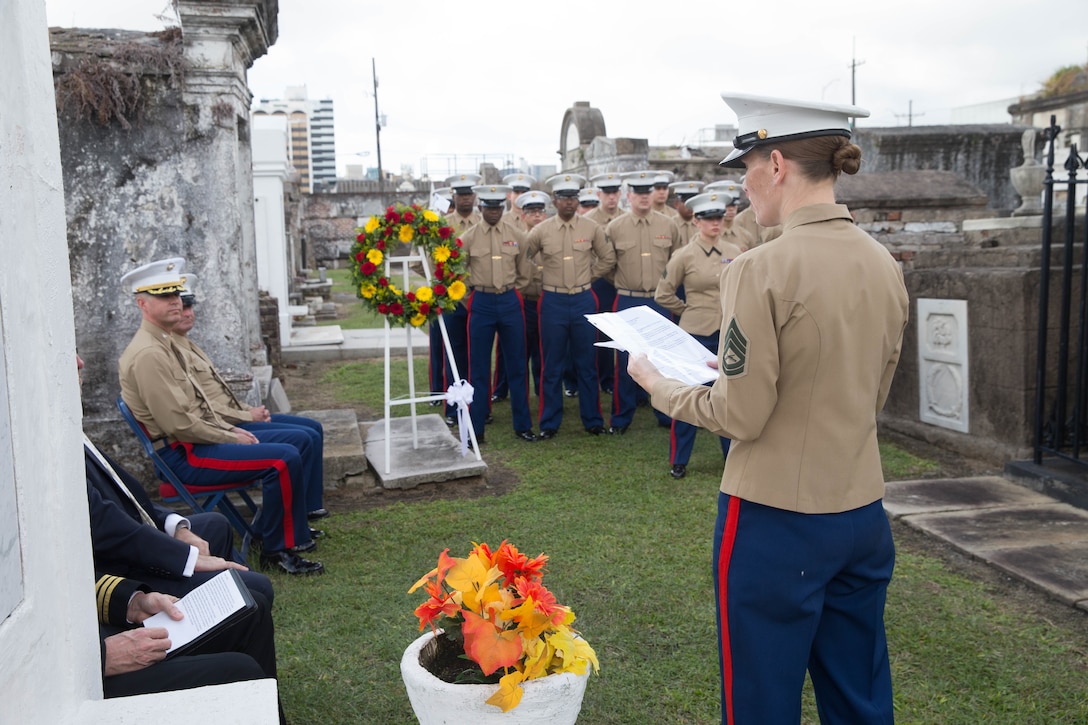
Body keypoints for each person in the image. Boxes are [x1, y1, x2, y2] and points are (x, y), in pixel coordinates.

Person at [629, 92, 909, 724]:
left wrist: (659, 386)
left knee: (760, 698)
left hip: (775, 517)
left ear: (776, 164)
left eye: (746, 166)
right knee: (859, 696)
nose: (745, 184)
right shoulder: (883, 262)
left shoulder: (757, 267)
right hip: (861, 509)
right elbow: (865, 387)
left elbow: (741, 417)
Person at [117, 258, 323, 576]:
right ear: (142, 303)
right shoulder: (149, 354)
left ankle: (277, 535)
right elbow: (179, 424)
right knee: (282, 459)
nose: (175, 301)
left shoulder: (164, 342)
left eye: (176, 294)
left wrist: (231, 426)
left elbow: (198, 407)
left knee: (291, 447)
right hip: (183, 454)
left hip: (194, 443)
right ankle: (277, 549)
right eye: (164, 296)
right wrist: (231, 435)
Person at [174, 275, 329, 522]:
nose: (187, 313)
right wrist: (247, 416)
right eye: (180, 307)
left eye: (189, 306)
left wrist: (248, 409)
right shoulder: (171, 352)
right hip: (220, 428)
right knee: (300, 439)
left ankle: (307, 506)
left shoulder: (186, 344)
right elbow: (201, 407)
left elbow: (220, 395)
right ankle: (291, 518)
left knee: (312, 428)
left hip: (230, 419)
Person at [96, 572, 286, 724]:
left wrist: (132, 602)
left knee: (252, 609)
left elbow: (71, 581)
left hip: (99, 634)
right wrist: (103, 657)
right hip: (87, 673)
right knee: (240, 670)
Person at [653, 192, 739, 479]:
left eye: (719, 217)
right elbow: (663, 293)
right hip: (696, 334)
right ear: (698, 222)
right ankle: (679, 459)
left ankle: (733, 458)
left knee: (729, 397)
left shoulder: (735, 251)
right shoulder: (684, 255)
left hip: (727, 333)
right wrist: (688, 310)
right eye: (709, 218)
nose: (716, 223)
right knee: (689, 395)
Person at [523, 173, 615, 438]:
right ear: (554, 200)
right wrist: (541, 277)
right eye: (564, 198)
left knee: (587, 363)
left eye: (573, 198)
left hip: (584, 299)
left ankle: (593, 420)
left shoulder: (591, 228)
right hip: (552, 301)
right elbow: (525, 259)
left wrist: (590, 275)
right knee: (552, 365)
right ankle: (549, 423)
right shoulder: (541, 230)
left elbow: (607, 257)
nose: (569, 203)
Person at [606, 170, 682, 435]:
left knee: (663, 358)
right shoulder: (615, 227)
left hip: (659, 299)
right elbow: (607, 264)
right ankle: (621, 417)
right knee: (626, 359)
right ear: (629, 196)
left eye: (647, 192)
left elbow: (677, 262)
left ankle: (665, 412)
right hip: (627, 298)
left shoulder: (668, 224)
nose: (643, 197)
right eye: (638, 193)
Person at [460, 184, 536, 443]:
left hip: (510, 301)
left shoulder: (517, 235)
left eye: (497, 206)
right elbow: (459, 273)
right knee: (478, 369)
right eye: (488, 206)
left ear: (503, 207)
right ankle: (476, 428)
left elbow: (525, 272)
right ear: (481, 207)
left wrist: (513, 293)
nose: (493, 211)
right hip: (480, 301)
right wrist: (470, 298)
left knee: (517, 366)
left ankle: (522, 425)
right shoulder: (468, 237)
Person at [431, 173, 482, 425]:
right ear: (454, 196)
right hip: (453, 302)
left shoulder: (484, 222)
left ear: (475, 196)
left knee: (479, 356)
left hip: (479, 299)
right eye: (461, 194)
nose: (465, 198)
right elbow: (424, 261)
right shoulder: (442, 225)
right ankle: (454, 408)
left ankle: (478, 406)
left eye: (469, 194)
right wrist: (441, 283)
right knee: (454, 355)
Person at [585, 172, 626, 396]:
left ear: (620, 194)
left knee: (622, 335)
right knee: (601, 334)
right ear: (599, 194)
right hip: (600, 282)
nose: (611, 197)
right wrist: (593, 275)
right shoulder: (589, 220)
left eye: (614, 193)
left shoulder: (626, 217)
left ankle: (626, 378)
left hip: (620, 282)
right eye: (606, 193)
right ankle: (605, 378)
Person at [668, 180, 704, 245]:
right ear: (676, 204)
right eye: (686, 202)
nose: (690, 206)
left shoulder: (703, 224)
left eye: (693, 202)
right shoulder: (670, 225)